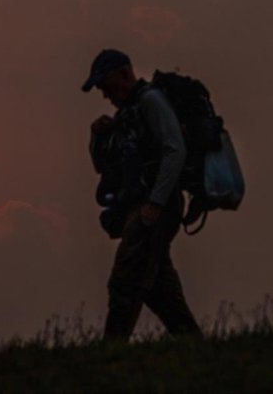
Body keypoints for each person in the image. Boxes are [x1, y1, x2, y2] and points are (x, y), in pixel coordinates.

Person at [82, 49, 202, 341]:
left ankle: (112, 348)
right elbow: (103, 166)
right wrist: (97, 136)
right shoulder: (126, 115)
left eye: (106, 85)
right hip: (142, 205)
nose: (104, 93)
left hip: (155, 206)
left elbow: (175, 150)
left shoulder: (150, 101)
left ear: (125, 73)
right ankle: (192, 343)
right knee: (160, 286)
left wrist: (155, 203)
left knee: (126, 276)